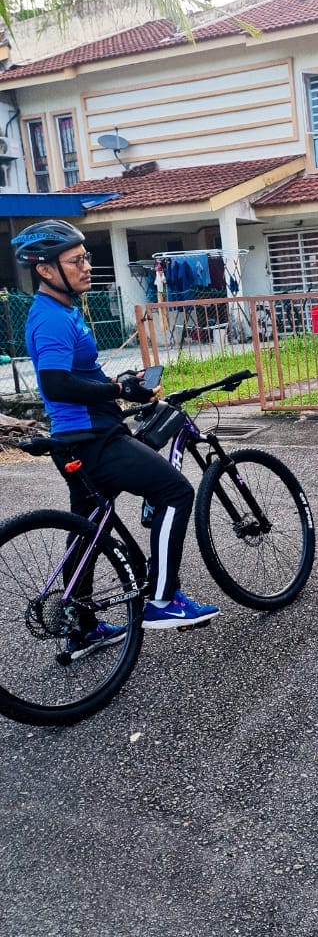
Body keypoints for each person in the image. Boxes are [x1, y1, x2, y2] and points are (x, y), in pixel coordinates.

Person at [12, 219, 219, 633]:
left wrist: (120, 384)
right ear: (46, 270)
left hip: (78, 438)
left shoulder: (61, 311)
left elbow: (78, 375)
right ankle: (162, 600)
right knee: (176, 492)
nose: (87, 266)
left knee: (89, 529)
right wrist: (117, 390)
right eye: (76, 260)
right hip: (93, 439)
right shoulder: (52, 319)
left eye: (86, 257)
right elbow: (56, 384)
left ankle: (81, 625)